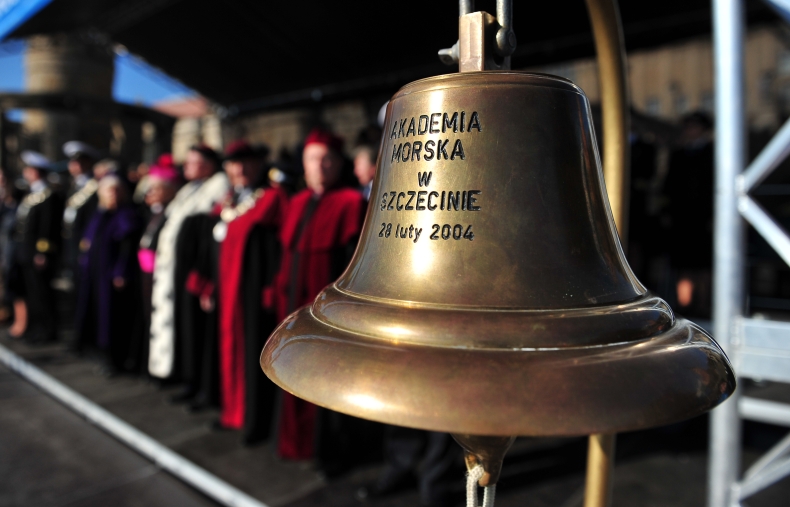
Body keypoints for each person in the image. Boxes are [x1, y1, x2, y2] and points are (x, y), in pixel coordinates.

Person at [272, 128, 365, 463]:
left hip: (326, 315)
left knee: (324, 381)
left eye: (327, 159)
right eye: (313, 159)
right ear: (304, 163)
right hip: (291, 307)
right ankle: (292, 443)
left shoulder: (353, 203)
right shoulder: (296, 203)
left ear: (339, 164)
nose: (320, 166)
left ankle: (328, 453)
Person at [211, 140, 287, 444]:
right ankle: (231, 412)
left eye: (245, 163)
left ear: (258, 165)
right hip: (228, 291)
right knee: (229, 349)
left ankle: (255, 421)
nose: (239, 169)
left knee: (254, 352)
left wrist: (272, 288)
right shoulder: (228, 202)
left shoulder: (271, 199)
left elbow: (278, 249)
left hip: (254, 293)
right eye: (232, 163)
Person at [148, 144, 229, 380]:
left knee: (197, 330)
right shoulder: (190, 189)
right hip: (176, 271)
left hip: (196, 271)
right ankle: (183, 375)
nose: (187, 166)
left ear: (209, 164)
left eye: (193, 161)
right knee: (182, 326)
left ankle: (196, 382)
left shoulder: (217, 189)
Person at [74, 175, 142, 375]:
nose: (112, 194)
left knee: (113, 318)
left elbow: (127, 248)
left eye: (116, 190)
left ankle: (117, 358)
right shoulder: (99, 215)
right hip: (95, 275)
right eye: (108, 190)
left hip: (113, 277)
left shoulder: (126, 215)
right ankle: (98, 350)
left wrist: (121, 271)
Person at [128, 155, 180, 374]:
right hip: (146, 275)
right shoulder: (151, 213)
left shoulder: (172, 213)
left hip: (161, 276)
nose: (151, 193)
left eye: (157, 189)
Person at [8, 151, 65, 342]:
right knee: (32, 292)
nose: (25, 173)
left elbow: (47, 228)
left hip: (36, 253)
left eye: (29, 169)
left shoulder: (48, 196)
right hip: (24, 251)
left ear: (36, 172)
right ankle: (35, 327)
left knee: (42, 293)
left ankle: (47, 330)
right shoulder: (31, 194)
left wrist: (42, 252)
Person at [664, 111, 714, 318]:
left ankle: (703, 302)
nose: (690, 131)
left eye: (694, 126)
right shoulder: (679, 154)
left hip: (703, 216)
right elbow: (670, 185)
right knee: (683, 262)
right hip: (682, 216)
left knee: (702, 263)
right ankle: (685, 303)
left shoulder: (712, 153)